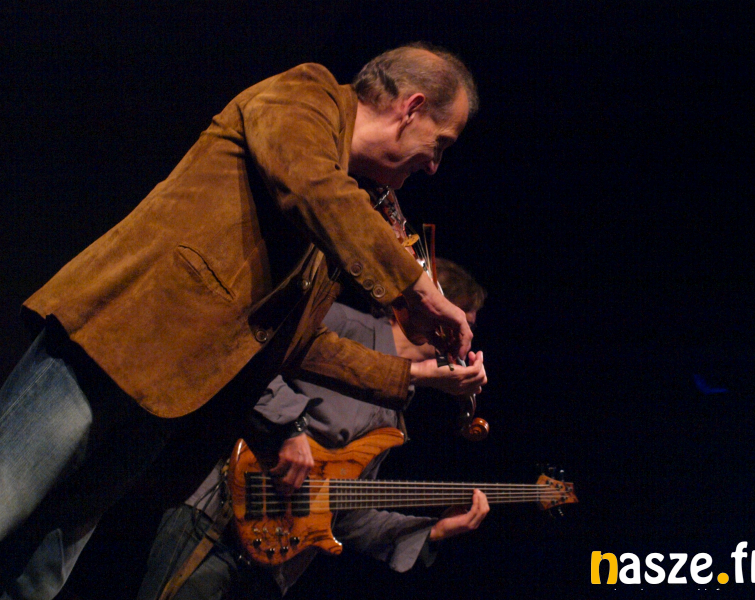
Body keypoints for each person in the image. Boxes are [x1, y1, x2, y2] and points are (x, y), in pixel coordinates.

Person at [0, 44, 482, 598]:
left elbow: (297, 344)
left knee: (41, 571)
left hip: (171, 397)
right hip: (115, 342)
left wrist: (417, 376)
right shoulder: (308, 95)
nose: (434, 166)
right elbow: (311, 186)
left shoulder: (336, 220)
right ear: (411, 108)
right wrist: (419, 289)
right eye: (440, 144)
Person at [136, 262, 489, 600]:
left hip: (274, 570)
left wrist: (433, 531)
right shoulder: (343, 324)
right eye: (463, 323)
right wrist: (291, 428)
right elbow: (247, 355)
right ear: (429, 308)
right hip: (217, 524)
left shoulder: (394, 414)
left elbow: (344, 514)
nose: (467, 341)